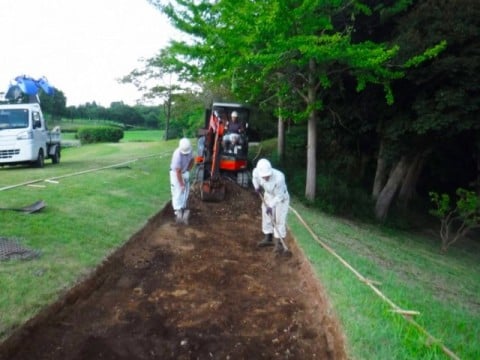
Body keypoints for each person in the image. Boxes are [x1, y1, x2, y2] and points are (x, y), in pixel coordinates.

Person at [252, 158, 290, 253]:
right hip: (268, 195)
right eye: (264, 176)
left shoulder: (279, 177)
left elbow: (279, 196)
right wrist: (256, 187)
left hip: (281, 198)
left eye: (267, 176)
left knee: (279, 219)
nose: (266, 177)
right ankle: (268, 237)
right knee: (266, 215)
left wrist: (271, 206)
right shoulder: (257, 172)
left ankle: (279, 244)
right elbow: (254, 178)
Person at [170, 138, 194, 223]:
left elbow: (192, 160)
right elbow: (178, 172)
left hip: (184, 171)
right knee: (177, 191)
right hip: (175, 173)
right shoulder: (177, 155)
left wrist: (188, 170)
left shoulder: (190, 150)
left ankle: (183, 207)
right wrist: (181, 184)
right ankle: (177, 211)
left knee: (186, 191)